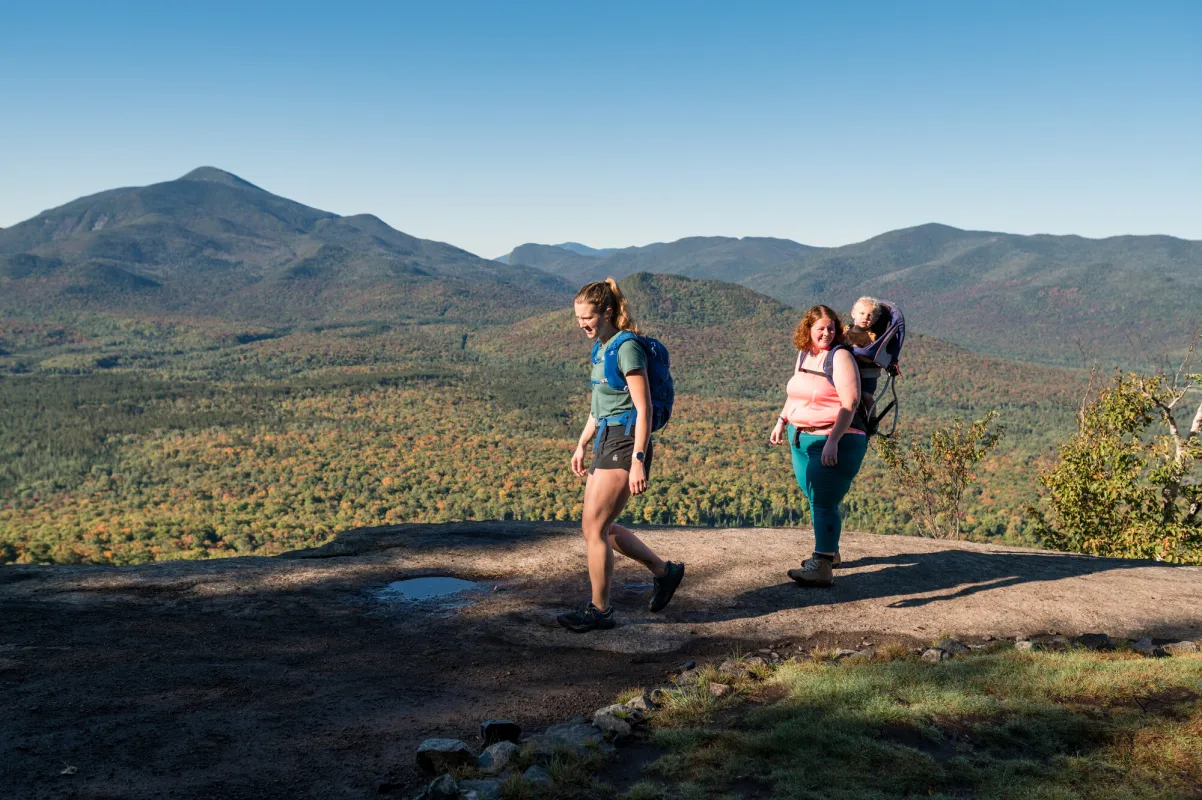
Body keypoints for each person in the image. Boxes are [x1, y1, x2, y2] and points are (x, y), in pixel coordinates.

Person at [557, 278, 685, 632]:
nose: (582, 324)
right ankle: (664, 571)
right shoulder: (602, 348)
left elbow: (643, 409)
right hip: (607, 438)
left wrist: (638, 460)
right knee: (598, 527)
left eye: (587, 317)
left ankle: (600, 611)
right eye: (578, 318)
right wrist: (582, 443)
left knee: (595, 527)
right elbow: (599, 407)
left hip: (626, 441)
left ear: (608, 312)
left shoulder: (627, 348)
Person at [769, 304, 869, 587]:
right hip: (802, 437)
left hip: (833, 439)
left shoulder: (840, 357)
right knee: (815, 498)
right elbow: (795, 394)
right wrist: (782, 421)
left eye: (831, 328)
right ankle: (830, 551)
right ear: (808, 330)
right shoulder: (805, 354)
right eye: (820, 329)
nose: (827, 333)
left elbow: (851, 402)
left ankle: (822, 566)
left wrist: (833, 440)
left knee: (823, 501)